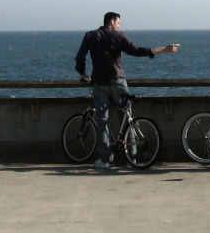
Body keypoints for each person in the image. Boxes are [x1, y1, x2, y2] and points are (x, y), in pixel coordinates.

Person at [75, 12, 180, 169]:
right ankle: (132, 157)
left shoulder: (90, 35)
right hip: (118, 81)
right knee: (126, 117)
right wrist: (164, 49)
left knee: (102, 121)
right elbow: (136, 50)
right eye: (118, 22)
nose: (119, 25)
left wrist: (82, 73)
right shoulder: (118, 36)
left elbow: (80, 56)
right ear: (112, 21)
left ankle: (104, 160)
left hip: (100, 83)